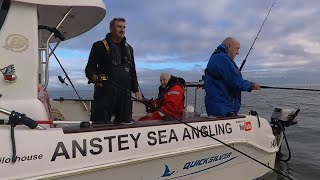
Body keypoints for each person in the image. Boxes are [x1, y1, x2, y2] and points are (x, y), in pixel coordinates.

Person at [85, 17, 141, 125]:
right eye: (119, 27)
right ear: (111, 29)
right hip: (105, 92)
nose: (122, 30)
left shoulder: (129, 48)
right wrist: (93, 77)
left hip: (125, 93)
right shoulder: (99, 46)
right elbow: (90, 68)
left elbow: (132, 70)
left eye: (124, 27)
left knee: (126, 123)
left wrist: (136, 89)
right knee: (101, 124)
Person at [204, 37, 260, 117]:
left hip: (220, 108)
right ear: (229, 46)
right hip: (221, 110)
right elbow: (236, 81)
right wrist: (252, 85)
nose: (238, 52)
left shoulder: (218, 57)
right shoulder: (222, 58)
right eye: (237, 48)